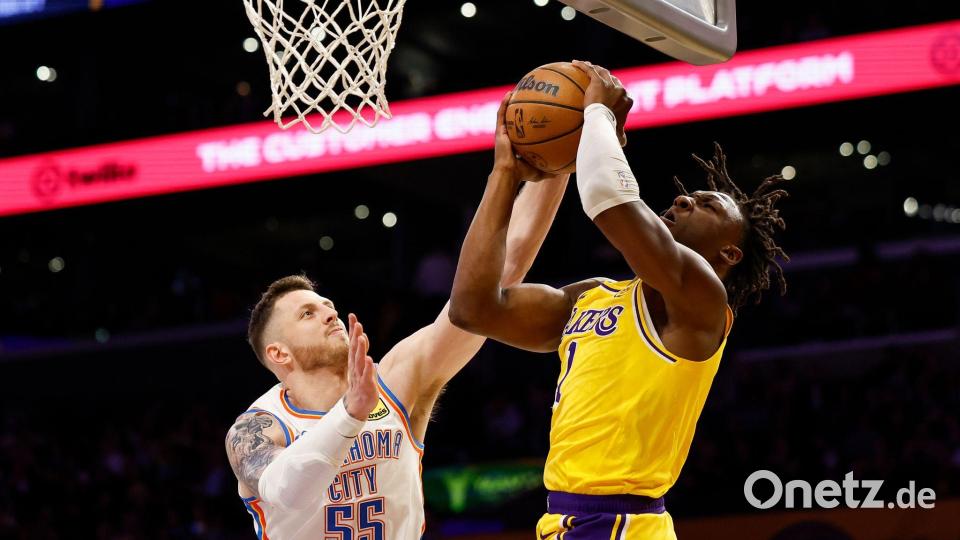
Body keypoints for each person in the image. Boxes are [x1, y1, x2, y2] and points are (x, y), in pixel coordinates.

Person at [448, 60, 790, 539]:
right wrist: (505, 172)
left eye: (707, 205)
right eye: (687, 196)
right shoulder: (589, 297)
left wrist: (599, 118)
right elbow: (473, 308)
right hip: (563, 521)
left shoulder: (702, 299)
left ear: (728, 252)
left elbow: (608, 196)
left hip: (625, 524)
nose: (683, 201)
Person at [224, 176, 568, 539]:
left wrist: (556, 168)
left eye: (328, 307)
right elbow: (287, 492)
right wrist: (350, 414)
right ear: (278, 353)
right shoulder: (258, 428)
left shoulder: (397, 380)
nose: (329, 314)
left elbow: (493, 284)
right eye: (307, 314)